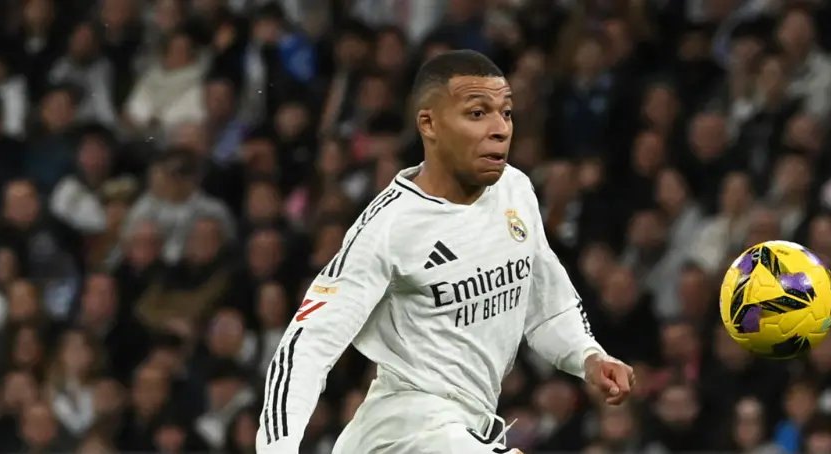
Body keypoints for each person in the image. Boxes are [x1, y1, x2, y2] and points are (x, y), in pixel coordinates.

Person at [254, 50, 635, 454]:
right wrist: (278, 449)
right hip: (403, 433)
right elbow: (307, 343)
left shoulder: (515, 191)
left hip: (465, 429)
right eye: (477, 113)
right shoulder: (390, 226)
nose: (500, 129)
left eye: (505, 113)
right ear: (429, 124)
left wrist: (588, 356)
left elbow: (546, 305)